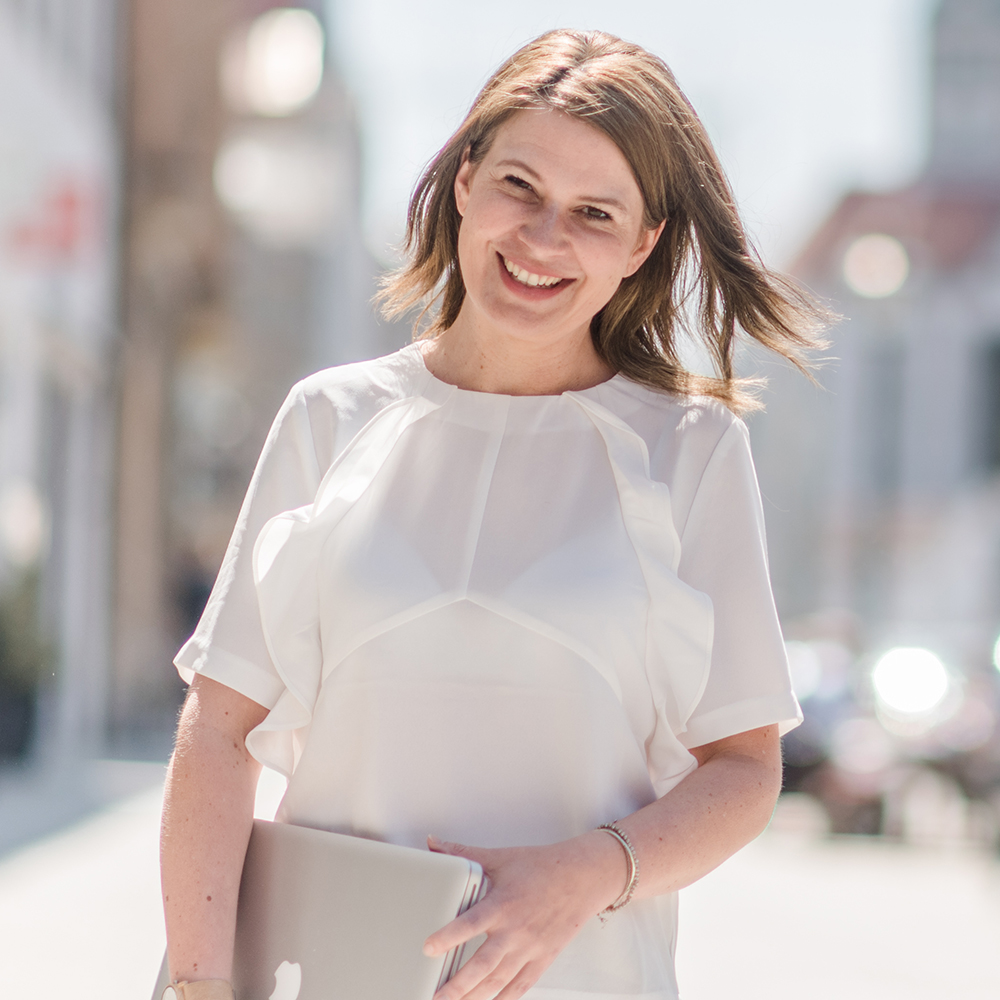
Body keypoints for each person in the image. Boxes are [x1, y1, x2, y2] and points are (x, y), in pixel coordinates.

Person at [159, 28, 825, 1000]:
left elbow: (742, 766)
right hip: (332, 975)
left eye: (593, 213)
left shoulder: (690, 450)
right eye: (520, 185)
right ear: (465, 179)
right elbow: (216, 733)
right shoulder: (329, 420)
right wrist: (198, 986)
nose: (543, 238)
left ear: (643, 245)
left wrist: (586, 873)